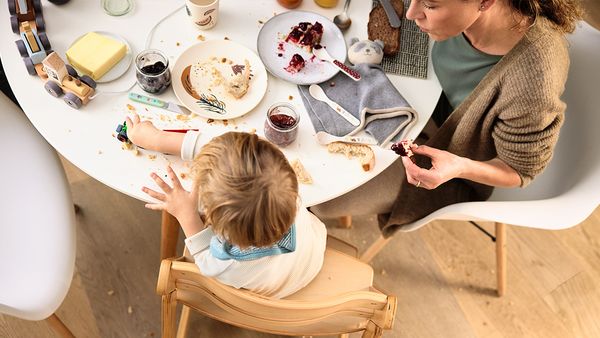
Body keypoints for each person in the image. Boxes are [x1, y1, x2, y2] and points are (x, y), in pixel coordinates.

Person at [311, 0, 583, 235]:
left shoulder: (533, 81)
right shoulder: (463, 13)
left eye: (430, 5)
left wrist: (459, 166)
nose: (410, 13)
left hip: (454, 155)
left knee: (319, 195)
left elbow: (520, 170)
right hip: (427, 99)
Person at [126, 115, 327, 299]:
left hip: (276, 294)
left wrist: (186, 214)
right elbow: (228, 157)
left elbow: (204, 259)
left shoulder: (227, 262)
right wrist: (158, 139)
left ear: (214, 222)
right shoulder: (283, 188)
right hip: (312, 255)